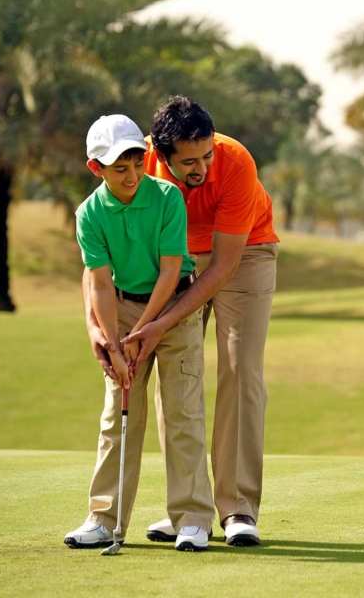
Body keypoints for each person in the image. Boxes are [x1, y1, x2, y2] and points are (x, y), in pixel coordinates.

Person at [129, 96, 279, 547]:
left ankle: (237, 509)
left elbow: (224, 265)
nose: (202, 167)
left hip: (245, 251)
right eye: (189, 161)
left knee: (240, 367)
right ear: (160, 153)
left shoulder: (234, 162)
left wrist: (163, 321)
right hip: (174, 257)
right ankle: (188, 509)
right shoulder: (139, 163)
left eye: (206, 155)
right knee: (176, 374)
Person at [65, 114, 215, 552]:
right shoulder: (89, 213)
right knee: (117, 415)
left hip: (175, 309)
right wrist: (114, 344)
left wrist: (146, 329)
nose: (132, 175)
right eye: (119, 168)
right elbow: (99, 284)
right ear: (96, 168)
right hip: (122, 308)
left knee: (183, 413)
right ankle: (103, 518)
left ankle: (192, 519)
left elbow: (170, 271)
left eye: (136, 163)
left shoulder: (167, 197)